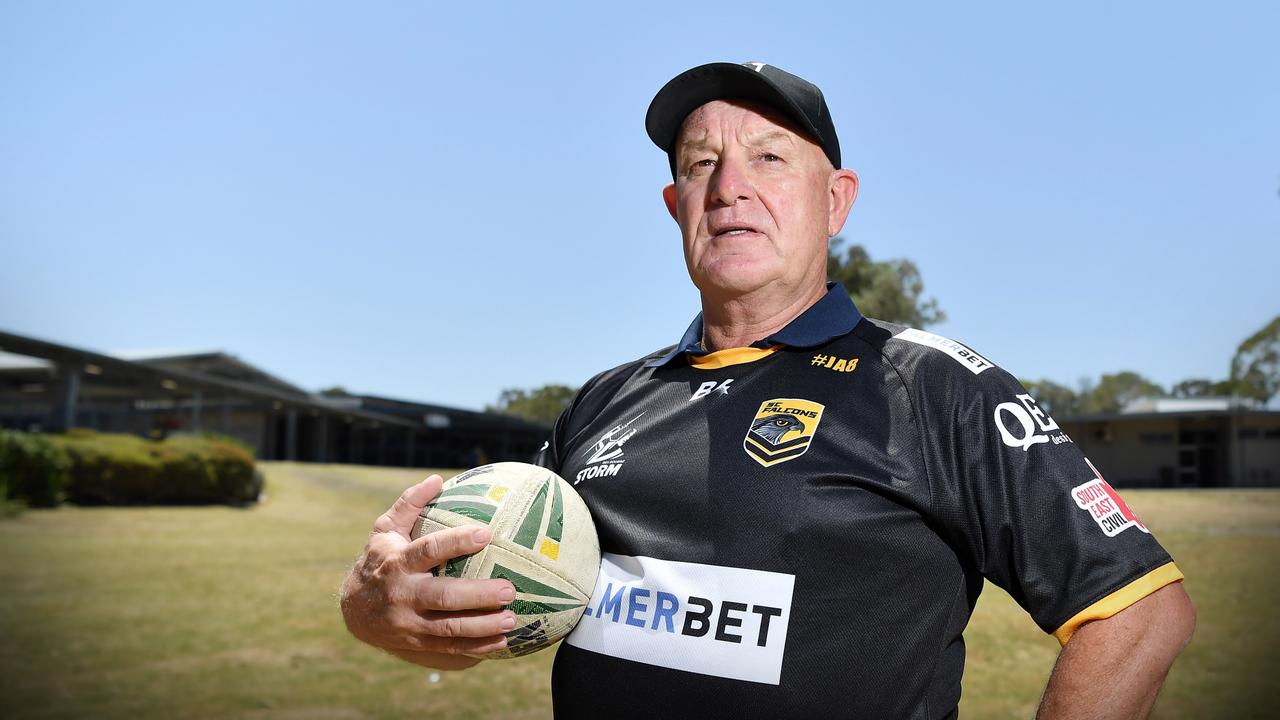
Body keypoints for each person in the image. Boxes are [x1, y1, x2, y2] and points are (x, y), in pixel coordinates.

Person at [340, 61, 1195, 718]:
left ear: (837, 201)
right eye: (702, 163)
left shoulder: (929, 385)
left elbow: (1140, 611)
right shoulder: (600, 405)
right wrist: (377, 608)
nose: (730, 185)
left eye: (769, 157)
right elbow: (493, 590)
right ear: (677, 205)